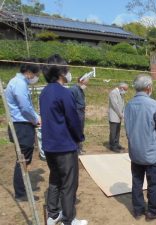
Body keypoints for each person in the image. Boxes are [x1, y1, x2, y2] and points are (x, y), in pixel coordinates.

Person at [39, 54, 87, 225]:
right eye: (67, 69)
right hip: (64, 146)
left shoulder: (44, 92)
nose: (69, 73)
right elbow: (73, 120)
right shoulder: (64, 93)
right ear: (61, 73)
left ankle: (53, 215)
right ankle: (69, 218)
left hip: (49, 145)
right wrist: (79, 137)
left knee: (55, 179)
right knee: (69, 183)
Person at [124, 74, 156, 220]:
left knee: (137, 182)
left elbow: (128, 130)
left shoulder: (129, 105)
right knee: (153, 183)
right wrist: (153, 140)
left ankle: (137, 210)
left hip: (135, 152)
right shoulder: (154, 105)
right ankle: (153, 211)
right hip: (151, 153)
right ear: (149, 87)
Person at [5, 60, 41, 202]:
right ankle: (20, 193)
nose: (36, 77)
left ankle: (23, 188)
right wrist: (36, 119)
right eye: (36, 73)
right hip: (22, 125)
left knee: (24, 158)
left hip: (20, 124)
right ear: (29, 72)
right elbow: (25, 108)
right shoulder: (19, 84)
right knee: (22, 159)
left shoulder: (16, 82)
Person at [70, 75, 89, 154]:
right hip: (77, 112)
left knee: (81, 130)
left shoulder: (80, 89)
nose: (86, 85)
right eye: (86, 83)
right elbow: (71, 102)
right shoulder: (74, 89)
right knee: (77, 130)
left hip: (81, 111)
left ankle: (79, 147)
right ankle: (76, 149)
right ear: (81, 81)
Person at [108, 82, 128, 152]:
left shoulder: (120, 93)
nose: (125, 91)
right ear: (121, 88)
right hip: (114, 115)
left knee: (117, 131)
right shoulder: (113, 93)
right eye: (125, 90)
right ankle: (112, 146)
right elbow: (115, 105)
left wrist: (123, 113)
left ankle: (116, 144)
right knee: (113, 132)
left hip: (119, 116)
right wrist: (120, 114)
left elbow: (122, 104)